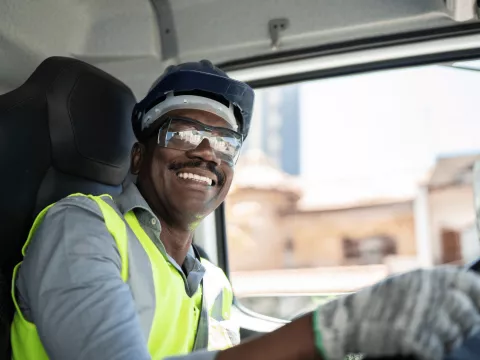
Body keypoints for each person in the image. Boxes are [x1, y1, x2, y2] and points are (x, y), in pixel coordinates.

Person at [9, 60, 480, 360]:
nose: (207, 153)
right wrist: (328, 332)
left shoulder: (212, 281)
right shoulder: (81, 228)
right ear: (138, 156)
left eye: (224, 144)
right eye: (185, 134)